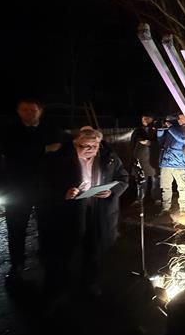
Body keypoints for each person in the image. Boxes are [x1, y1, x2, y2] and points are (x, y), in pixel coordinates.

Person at [47, 127, 129, 300]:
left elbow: (123, 178)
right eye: (84, 146)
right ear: (75, 143)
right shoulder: (61, 158)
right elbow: (47, 183)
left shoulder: (109, 156)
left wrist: (112, 191)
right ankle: (60, 285)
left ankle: (90, 282)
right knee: (67, 249)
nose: (90, 149)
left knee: (94, 249)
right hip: (71, 211)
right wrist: (63, 193)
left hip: (99, 210)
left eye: (94, 146)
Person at [0, 98, 63, 282]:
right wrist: (44, 149)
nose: (28, 113)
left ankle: (47, 256)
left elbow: (60, 151)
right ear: (18, 111)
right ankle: (17, 263)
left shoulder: (51, 129)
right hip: (17, 188)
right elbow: (11, 152)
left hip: (46, 187)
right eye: (24, 110)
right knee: (16, 227)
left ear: (40, 111)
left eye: (32, 110)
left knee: (47, 225)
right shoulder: (9, 130)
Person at [158, 113, 185, 218]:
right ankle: (165, 208)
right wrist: (160, 130)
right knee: (165, 187)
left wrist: (170, 127)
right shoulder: (173, 128)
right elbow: (161, 142)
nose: (178, 120)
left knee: (182, 187)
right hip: (166, 162)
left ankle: (183, 209)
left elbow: (181, 138)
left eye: (181, 118)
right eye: (178, 118)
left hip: (179, 163)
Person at [130, 114, 160, 204]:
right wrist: (133, 157)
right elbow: (132, 144)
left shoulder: (157, 129)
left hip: (153, 158)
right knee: (141, 180)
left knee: (155, 180)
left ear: (152, 118)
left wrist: (150, 143)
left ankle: (157, 197)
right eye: (143, 119)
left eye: (147, 118)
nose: (145, 120)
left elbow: (161, 143)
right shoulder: (137, 131)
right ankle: (140, 198)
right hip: (140, 159)